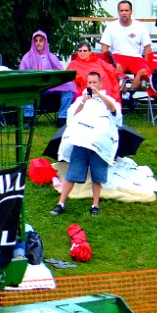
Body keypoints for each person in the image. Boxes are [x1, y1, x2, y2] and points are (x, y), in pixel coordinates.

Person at [50, 71, 120, 218]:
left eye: (95, 83)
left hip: (99, 143)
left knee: (98, 175)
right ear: (86, 84)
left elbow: (114, 111)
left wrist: (100, 96)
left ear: (100, 84)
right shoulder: (81, 100)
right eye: (90, 83)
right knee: (72, 172)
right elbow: (73, 116)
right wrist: (83, 101)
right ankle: (61, 203)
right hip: (82, 141)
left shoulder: (106, 99)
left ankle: (95, 205)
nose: (92, 85)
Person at [18, 30, 77, 124]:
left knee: (69, 85)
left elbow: (62, 74)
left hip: (51, 87)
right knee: (25, 87)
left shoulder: (52, 57)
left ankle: (62, 117)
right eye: (36, 40)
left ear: (45, 42)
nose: (38, 43)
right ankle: (28, 118)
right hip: (33, 87)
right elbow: (21, 76)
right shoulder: (27, 57)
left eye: (40, 40)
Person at [99, 0, 150, 91]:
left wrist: (147, 63)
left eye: (126, 10)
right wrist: (107, 63)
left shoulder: (140, 27)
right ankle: (123, 90)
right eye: (121, 11)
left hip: (136, 58)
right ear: (118, 12)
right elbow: (104, 47)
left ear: (131, 11)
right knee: (116, 67)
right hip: (117, 57)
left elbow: (147, 47)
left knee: (143, 71)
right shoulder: (111, 27)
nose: (124, 13)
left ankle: (129, 94)